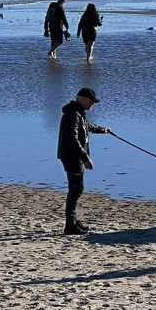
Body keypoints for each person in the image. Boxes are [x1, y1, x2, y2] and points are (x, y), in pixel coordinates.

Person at [56, 87, 110, 235]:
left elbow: (87, 126)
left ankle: (72, 222)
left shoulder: (78, 113)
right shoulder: (72, 114)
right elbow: (72, 139)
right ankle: (70, 225)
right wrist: (85, 158)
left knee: (77, 188)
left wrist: (103, 130)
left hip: (74, 157)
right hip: (71, 157)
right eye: (92, 101)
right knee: (76, 189)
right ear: (83, 99)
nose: (93, 104)